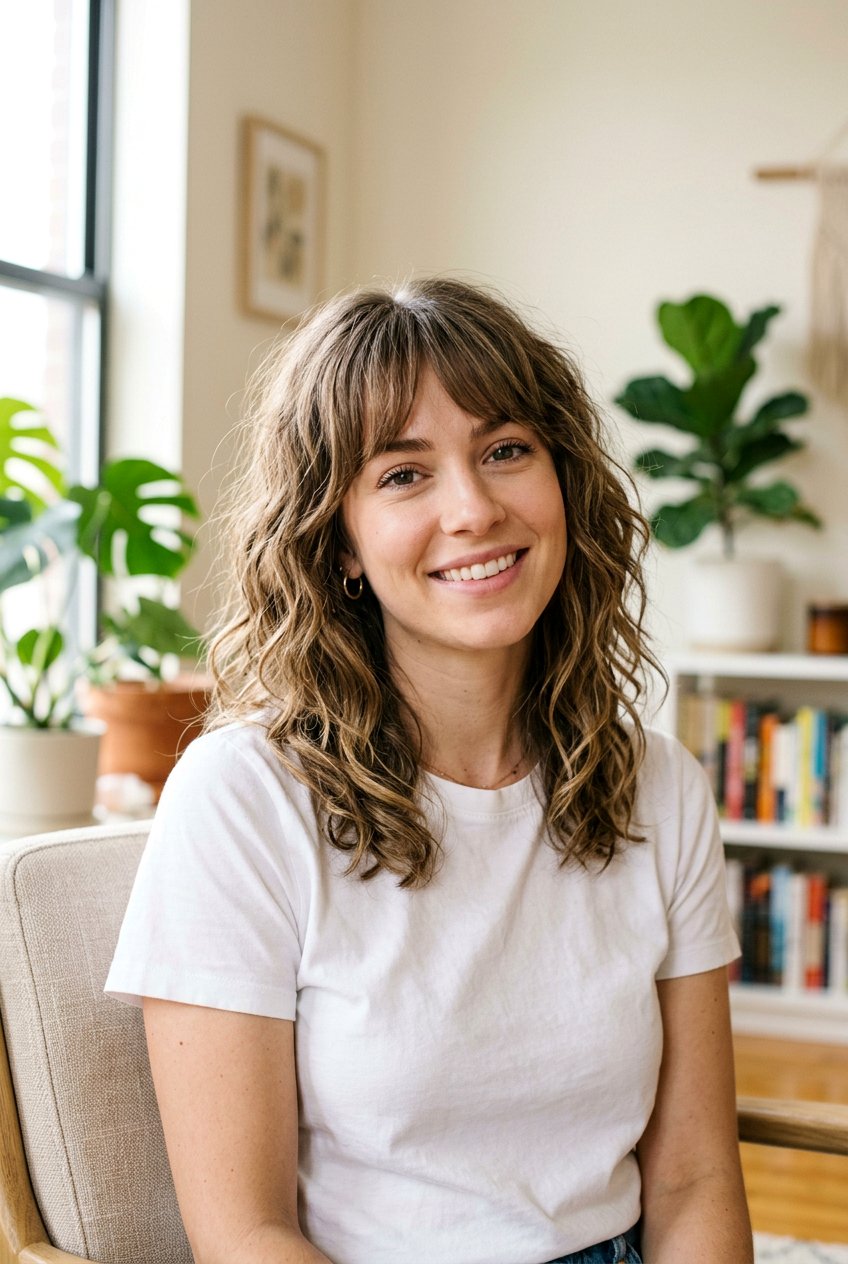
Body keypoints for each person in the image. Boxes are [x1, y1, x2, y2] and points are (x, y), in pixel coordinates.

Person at [105, 276, 754, 1264]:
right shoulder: (242, 799)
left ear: (563, 484)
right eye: (403, 475)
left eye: (504, 451)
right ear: (341, 544)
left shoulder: (659, 789)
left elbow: (694, 1179)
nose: (473, 508)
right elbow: (245, 1234)